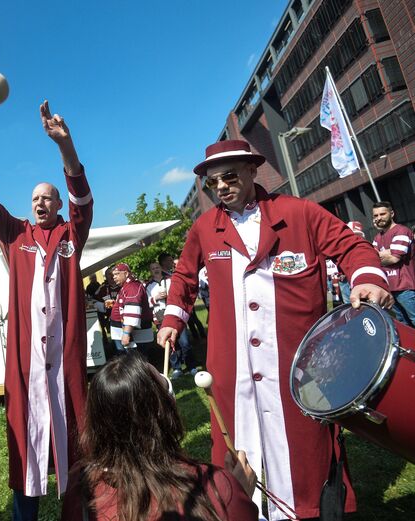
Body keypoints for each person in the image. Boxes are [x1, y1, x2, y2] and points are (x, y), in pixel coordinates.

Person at [157, 139, 392, 520]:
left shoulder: (299, 213)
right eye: (212, 182)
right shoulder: (203, 227)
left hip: (297, 365)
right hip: (233, 371)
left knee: (305, 448)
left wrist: (366, 277)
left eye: (229, 176)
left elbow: (351, 246)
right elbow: (183, 275)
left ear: (252, 171)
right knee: (239, 447)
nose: (220, 187)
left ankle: (307, 509)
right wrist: (172, 320)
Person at [0, 102, 93, 521]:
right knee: (26, 455)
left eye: (48, 198)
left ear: (59, 206)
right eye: (35, 198)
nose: (40, 203)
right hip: (26, 371)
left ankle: (77, 514)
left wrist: (66, 146)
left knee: (75, 451)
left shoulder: (71, 235)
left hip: (66, 367)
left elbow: (83, 195)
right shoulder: (15, 235)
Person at [67, 353, 258, 521]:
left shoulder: (81, 481)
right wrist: (239, 495)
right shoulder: (215, 486)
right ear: (165, 412)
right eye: (162, 380)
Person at [146, 255, 198, 378]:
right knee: (169, 345)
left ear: (161, 267)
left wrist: (169, 296)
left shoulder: (171, 279)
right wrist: (156, 298)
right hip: (160, 318)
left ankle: (191, 366)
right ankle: (177, 368)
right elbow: (146, 302)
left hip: (176, 316)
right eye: (153, 269)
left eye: (157, 267)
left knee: (184, 342)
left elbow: (180, 295)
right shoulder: (148, 286)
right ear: (150, 271)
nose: (156, 270)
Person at [109, 263, 160, 369]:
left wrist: (126, 333)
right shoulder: (127, 286)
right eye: (113, 275)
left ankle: (142, 382)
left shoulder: (132, 287)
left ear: (126, 273)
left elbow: (132, 311)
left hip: (135, 334)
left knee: (136, 363)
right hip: (123, 330)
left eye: (117, 274)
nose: (114, 277)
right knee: (132, 362)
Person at [372, 201, 415, 326]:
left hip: (406, 288)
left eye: (382, 214)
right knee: (402, 324)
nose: (379, 218)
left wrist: (383, 255)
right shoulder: (377, 238)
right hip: (389, 289)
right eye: (376, 215)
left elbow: (394, 259)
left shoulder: (401, 231)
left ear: (392, 213)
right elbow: (373, 260)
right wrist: (388, 252)